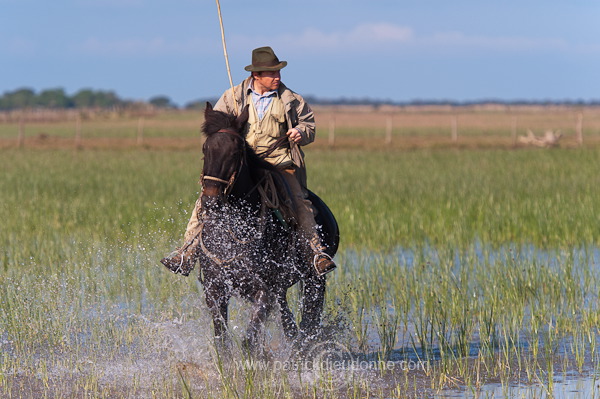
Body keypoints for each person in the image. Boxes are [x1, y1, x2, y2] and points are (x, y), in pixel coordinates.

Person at [161, 46, 336, 277]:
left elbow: (309, 125)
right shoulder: (232, 96)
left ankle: (316, 253)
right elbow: (217, 129)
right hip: (243, 163)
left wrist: (301, 133)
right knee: (204, 201)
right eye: (271, 73)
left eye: (278, 72)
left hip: (279, 163)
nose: (277, 77)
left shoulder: (292, 100)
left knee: (299, 202)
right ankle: (186, 252)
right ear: (256, 75)